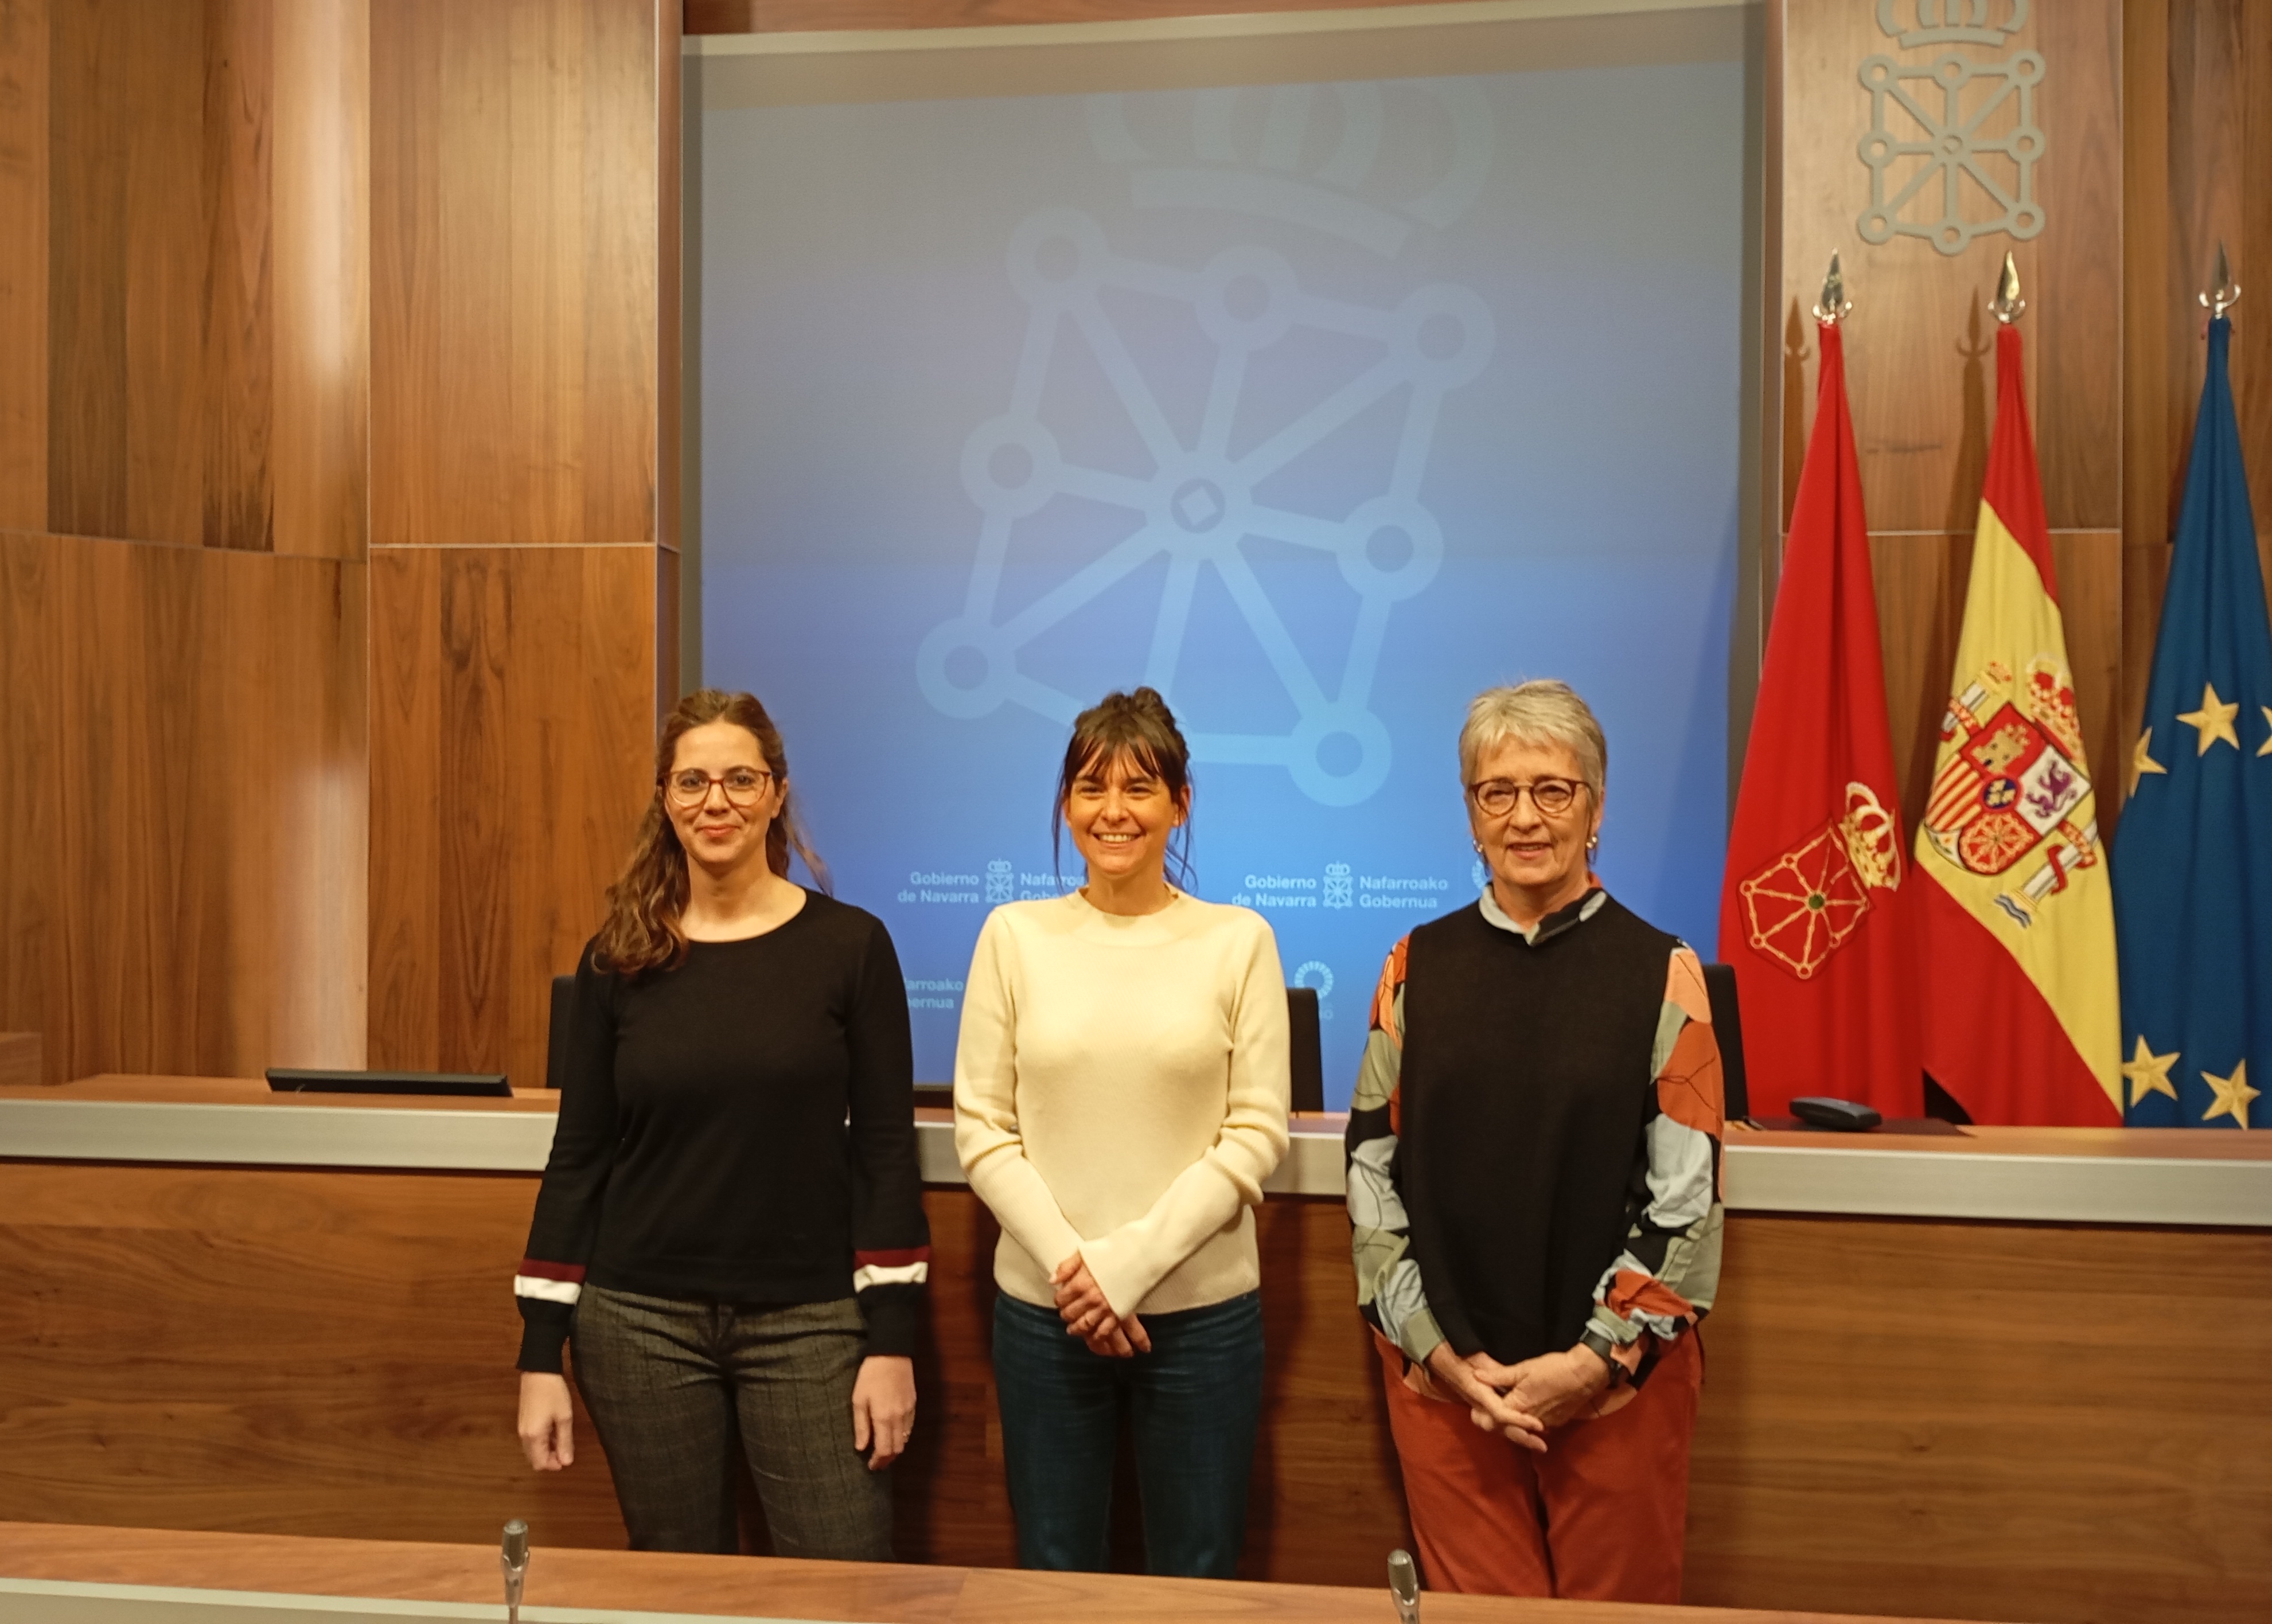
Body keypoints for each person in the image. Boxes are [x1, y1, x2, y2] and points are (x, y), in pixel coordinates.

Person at [512, 689, 929, 1560]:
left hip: (813, 1324)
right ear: (664, 799)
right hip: (638, 1326)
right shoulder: (617, 958)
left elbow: (886, 1154)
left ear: (777, 793)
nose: (717, 802)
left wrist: (891, 1344)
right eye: (693, 781)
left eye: (741, 779)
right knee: (679, 1593)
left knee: (846, 1584)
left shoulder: (851, 947)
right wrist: (540, 1354)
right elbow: (579, 1156)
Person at [1344, 679, 1724, 1604]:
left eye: (1553, 790)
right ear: (1471, 815)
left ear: (1596, 808)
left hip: (1616, 1393)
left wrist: (1592, 1362)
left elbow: (1686, 1204)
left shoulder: (1663, 972)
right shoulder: (1413, 968)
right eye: (1497, 791)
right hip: (1449, 1391)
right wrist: (1440, 1355)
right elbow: (1370, 1176)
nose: (1524, 817)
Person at [953, 688, 1290, 1578]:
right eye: (1091, 788)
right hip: (1045, 1313)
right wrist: (1080, 1274)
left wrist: (1130, 1266)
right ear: (1066, 805)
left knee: (1200, 1569)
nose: (1114, 812)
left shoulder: (1239, 940)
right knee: (1056, 1566)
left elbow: (1256, 1131)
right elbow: (983, 1129)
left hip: (1203, 1319)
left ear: (1181, 804)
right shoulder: (1013, 935)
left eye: (1140, 789)